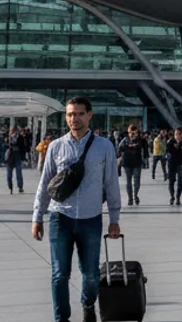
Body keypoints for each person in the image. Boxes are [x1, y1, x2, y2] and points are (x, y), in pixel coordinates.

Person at [32, 96, 123, 322]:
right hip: (60, 217)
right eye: (71, 114)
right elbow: (45, 183)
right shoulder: (56, 146)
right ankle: (62, 318)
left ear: (89, 115)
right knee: (59, 274)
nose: (75, 118)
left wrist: (114, 218)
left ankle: (88, 303)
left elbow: (111, 183)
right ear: (66, 117)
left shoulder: (104, 146)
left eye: (80, 113)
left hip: (90, 219)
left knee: (91, 274)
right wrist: (37, 216)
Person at [117, 124, 148, 206]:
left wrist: (145, 160)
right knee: (128, 182)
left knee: (137, 181)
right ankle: (130, 198)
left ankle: (135, 195)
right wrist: (128, 145)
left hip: (137, 162)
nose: (131, 134)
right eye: (130, 132)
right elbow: (120, 148)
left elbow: (144, 148)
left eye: (133, 132)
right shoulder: (125, 139)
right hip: (127, 162)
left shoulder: (140, 139)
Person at [164, 127, 182, 206]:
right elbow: (168, 151)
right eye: (175, 134)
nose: (176, 136)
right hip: (172, 164)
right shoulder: (170, 142)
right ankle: (172, 196)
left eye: (178, 134)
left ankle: (178, 197)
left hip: (181, 164)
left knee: (180, 182)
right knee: (171, 181)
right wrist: (175, 148)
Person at [6, 127, 25, 194]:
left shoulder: (9, 137)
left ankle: (11, 187)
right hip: (16, 155)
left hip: (11, 156)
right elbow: (23, 147)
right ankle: (19, 187)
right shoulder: (19, 137)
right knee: (18, 172)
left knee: (10, 172)